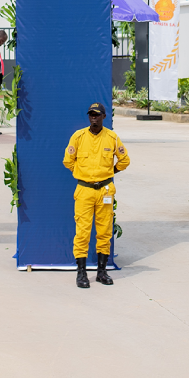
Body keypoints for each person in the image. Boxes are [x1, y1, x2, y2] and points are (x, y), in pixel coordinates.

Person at [63, 103, 130, 289]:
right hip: (84, 190)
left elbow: (125, 160)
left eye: (97, 115)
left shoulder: (112, 138)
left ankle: (102, 271)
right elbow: (68, 161)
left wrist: (110, 172)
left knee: (104, 231)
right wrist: (82, 174)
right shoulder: (78, 137)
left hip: (105, 190)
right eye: (91, 114)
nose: (94, 117)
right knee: (83, 232)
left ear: (104, 117)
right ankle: (81, 273)